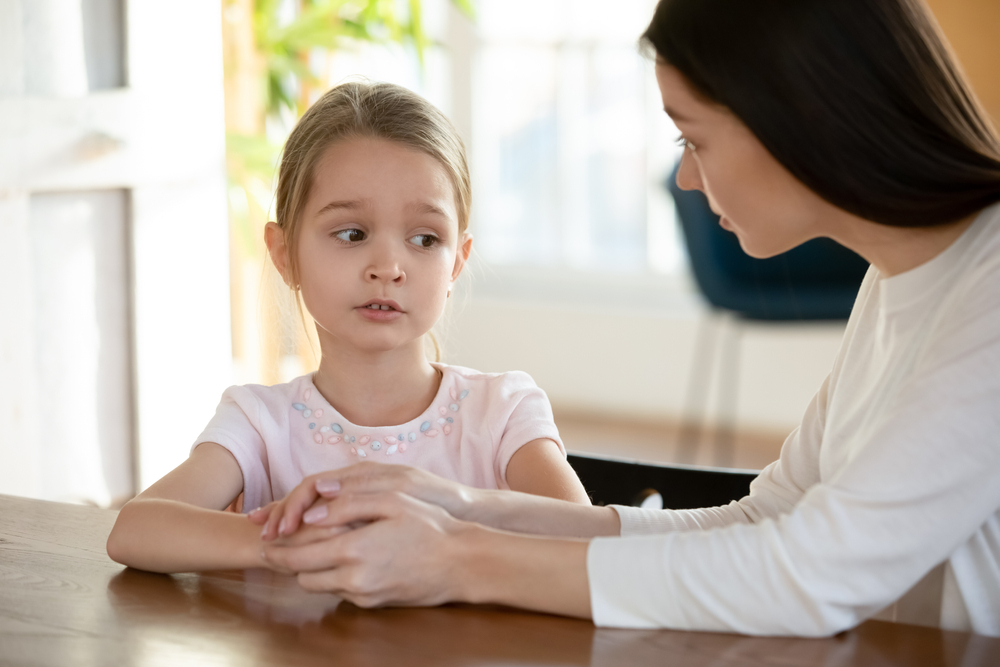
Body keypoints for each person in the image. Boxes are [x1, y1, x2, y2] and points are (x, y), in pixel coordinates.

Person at [251, 0, 1000, 638]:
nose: (685, 174)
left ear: (798, 117)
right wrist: (468, 508)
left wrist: (457, 557)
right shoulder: (900, 276)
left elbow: (807, 571)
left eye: (692, 136)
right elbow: (768, 515)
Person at [106, 81, 590, 574]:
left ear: (456, 264)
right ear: (284, 254)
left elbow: (589, 541)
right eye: (352, 234)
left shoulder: (503, 413)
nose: (388, 266)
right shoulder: (259, 423)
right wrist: (289, 545)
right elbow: (135, 530)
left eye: (425, 238)